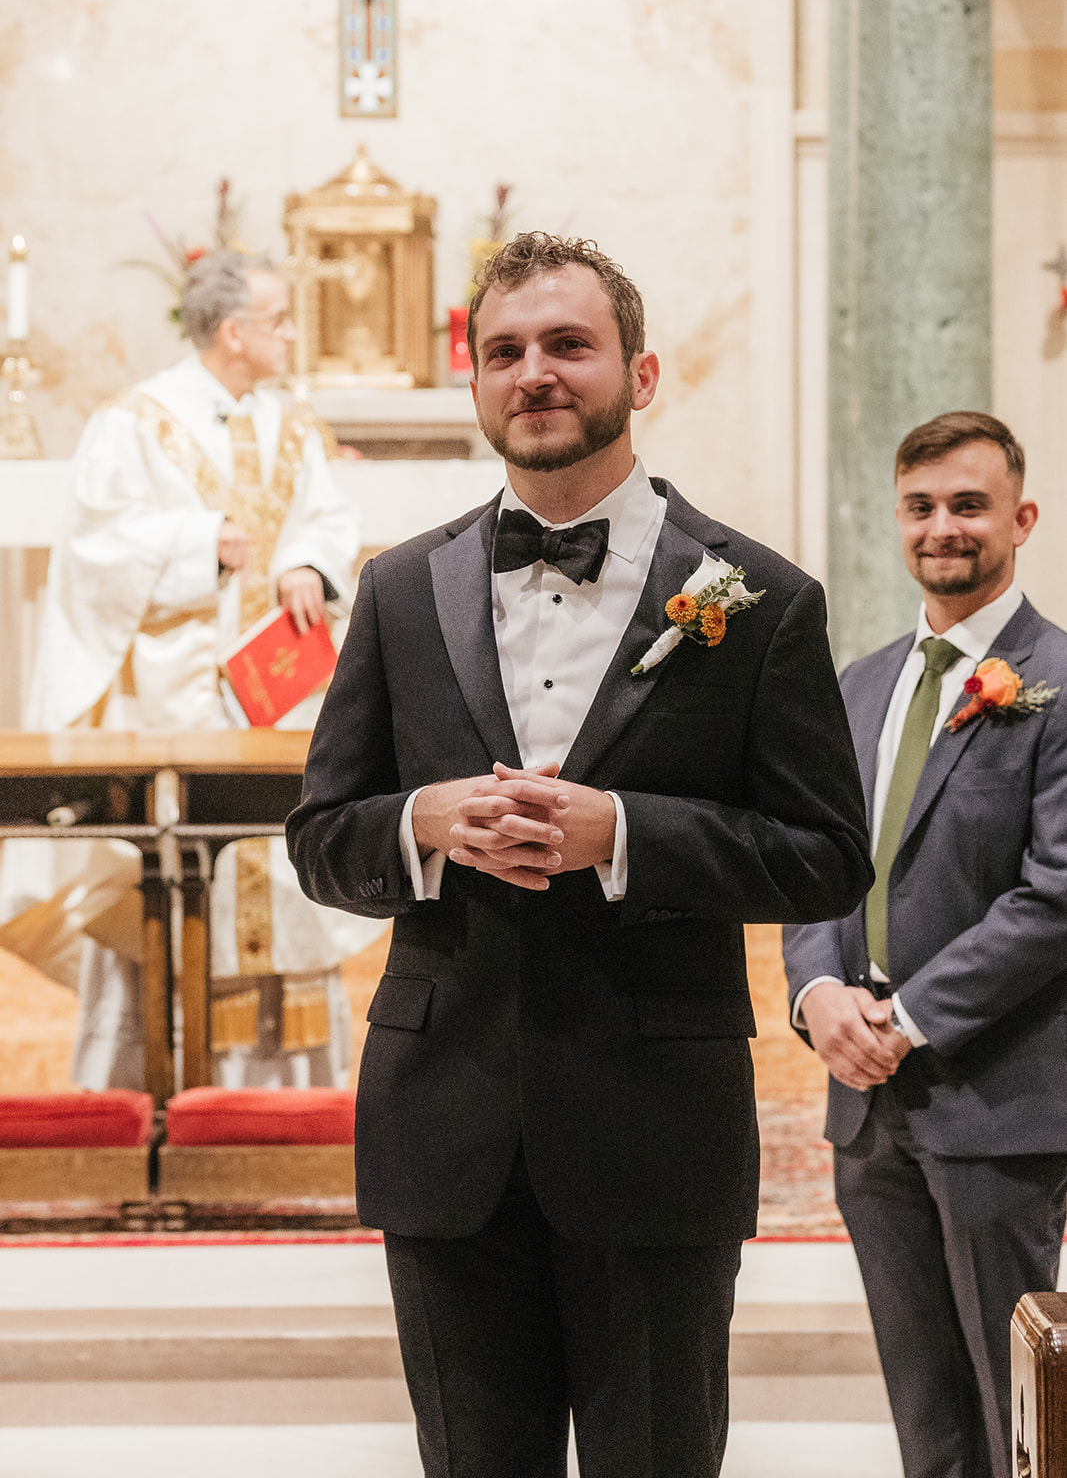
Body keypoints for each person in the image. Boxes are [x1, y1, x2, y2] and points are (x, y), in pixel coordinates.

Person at [287, 231, 872, 1477]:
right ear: (476, 381)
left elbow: (825, 856)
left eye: (567, 344)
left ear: (640, 373)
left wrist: (628, 836)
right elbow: (321, 841)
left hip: (652, 1128)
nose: (534, 373)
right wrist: (421, 824)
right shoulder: (397, 590)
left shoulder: (757, 599)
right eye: (504, 352)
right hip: (443, 1127)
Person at [0, 250, 380, 1089]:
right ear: (234, 330)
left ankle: (284, 1094)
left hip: (276, 696)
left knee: (279, 867)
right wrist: (192, 544)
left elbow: (324, 516)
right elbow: (95, 545)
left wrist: (309, 566)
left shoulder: (292, 423)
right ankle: (164, 1082)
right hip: (180, 698)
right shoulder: (136, 420)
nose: (291, 334)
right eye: (279, 319)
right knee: (174, 870)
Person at [783, 411, 1067, 1478]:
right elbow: (808, 866)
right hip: (867, 1108)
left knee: (1019, 1411)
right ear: (893, 520)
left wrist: (901, 1019)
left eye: (965, 504)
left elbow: (1055, 894)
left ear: (1018, 518)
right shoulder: (856, 686)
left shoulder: (1055, 682)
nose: (940, 526)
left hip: (994, 1094)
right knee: (924, 1408)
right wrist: (816, 994)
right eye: (919, 507)